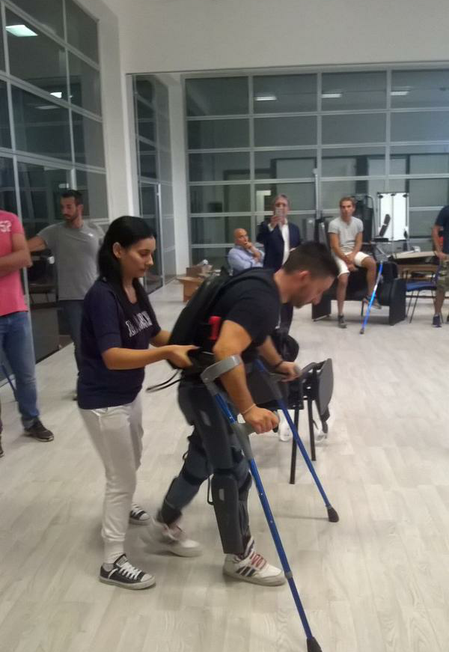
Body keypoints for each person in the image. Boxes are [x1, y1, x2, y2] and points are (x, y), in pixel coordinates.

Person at [157, 243, 338, 587]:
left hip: (203, 387)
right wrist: (249, 409)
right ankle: (239, 558)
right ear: (304, 276)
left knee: (202, 458)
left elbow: (254, 332)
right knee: (233, 470)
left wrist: (277, 362)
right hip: (205, 391)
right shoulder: (263, 299)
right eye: (319, 290)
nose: (317, 299)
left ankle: (165, 519)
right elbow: (227, 349)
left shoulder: (263, 282)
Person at [77, 216, 201, 590]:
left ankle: (124, 502)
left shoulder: (133, 286)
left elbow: (153, 332)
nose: (150, 261)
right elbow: (113, 356)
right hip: (103, 401)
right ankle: (112, 560)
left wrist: (190, 345)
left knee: (131, 460)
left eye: (151, 253)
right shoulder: (102, 296)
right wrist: (165, 352)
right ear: (118, 251)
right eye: (142, 253)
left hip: (128, 395)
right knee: (122, 477)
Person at [27, 190, 103, 385]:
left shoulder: (94, 230)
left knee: (101, 340)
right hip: (71, 298)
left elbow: (107, 257)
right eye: (62, 207)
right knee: (80, 343)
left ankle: (102, 378)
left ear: (80, 207)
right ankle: (86, 382)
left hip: (96, 295)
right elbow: (27, 247)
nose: (64, 211)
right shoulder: (54, 232)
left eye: (69, 207)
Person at [0, 209, 54, 450]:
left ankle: (31, 420)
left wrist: (16, 258)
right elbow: (16, 258)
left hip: (17, 312)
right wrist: (8, 261)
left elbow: (24, 258)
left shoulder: (9, 219)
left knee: (26, 375)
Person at [328, 196, 380, 329]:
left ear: (353, 208)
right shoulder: (334, 224)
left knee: (372, 263)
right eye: (343, 207)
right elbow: (335, 247)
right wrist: (348, 262)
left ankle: (369, 296)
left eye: (348, 207)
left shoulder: (358, 223)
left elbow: (358, 242)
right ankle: (340, 314)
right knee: (343, 280)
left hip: (353, 252)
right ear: (340, 209)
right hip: (339, 254)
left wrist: (352, 256)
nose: (346, 209)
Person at [257, 194, 302, 331]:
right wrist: (272, 226)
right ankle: (270, 330)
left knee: (288, 304)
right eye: (278, 205)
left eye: (284, 205)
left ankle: (285, 332)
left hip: (290, 270)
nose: (281, 207)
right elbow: (261, 239)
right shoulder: (266, 226)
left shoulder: (294, 228)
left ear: (288, 209)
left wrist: (297, 251)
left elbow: (300, 245)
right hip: (273, 270)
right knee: (272, 302)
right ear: (273, 208)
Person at [431, 206, 449, 327]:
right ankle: (437, 315)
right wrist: (438, 251)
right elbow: (435, 230)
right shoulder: (446, 210)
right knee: (441, 287)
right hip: (447, 255)